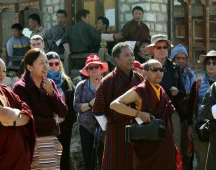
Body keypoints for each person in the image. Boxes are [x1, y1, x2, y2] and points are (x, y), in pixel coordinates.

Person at [110, 59, 176, 170]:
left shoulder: (161, 90)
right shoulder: (139, 90)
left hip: (164, 143)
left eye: (161, 69)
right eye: (155, 70)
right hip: (146, 145)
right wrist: (138, 113)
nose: (159, 73)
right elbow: (114, 104)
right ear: (144, 73)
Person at [13, 48, 68, 169]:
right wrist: (53, 122)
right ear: (30, 67)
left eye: (46, 62)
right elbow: (29, 117)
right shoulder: (21, 88)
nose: (46, 66)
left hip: (52, 139)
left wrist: (52, 93)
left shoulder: (50, 84)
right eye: (41, 63)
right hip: (34, 140)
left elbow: (63, 112)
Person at [93, 42, 144, 170]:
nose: (131, 58)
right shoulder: (107, 81)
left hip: (137, 131)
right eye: (127, 55)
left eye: (132, 55)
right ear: (116, 59)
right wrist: (109, 129)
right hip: (115, 132)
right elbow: (98, 111)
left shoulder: (139, 79)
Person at [146, 34, 185, 150]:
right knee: (154, 145)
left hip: (172, 111)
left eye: (165, 47)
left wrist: (177, 91)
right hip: (152, 112)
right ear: (152, 49)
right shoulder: (145, 67)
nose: (162, 50)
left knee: (175, 144)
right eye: (159, 47)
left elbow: (183, 91)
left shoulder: (174, 67)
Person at [187, 50, 216, 170]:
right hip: (200, 126)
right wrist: (189, 126)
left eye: (214, 63)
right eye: (208, 63)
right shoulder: (197, 83)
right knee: (202, 160)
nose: (211, 65)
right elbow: (191, 105)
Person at [74, 54, 109, 170]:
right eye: (91, 67)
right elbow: (76, 106)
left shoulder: (108, 84)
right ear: (87, 70)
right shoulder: (81, 86)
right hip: (86, 126)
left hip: (104, 126)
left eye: (96, 67)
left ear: (101, 68)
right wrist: (90, 104)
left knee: (104, 157)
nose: (94, 69)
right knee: (88, 158)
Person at [46, 51, 76, 170]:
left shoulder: (67, 81)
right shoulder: (43, 81)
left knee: (64, 154)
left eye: (56, 63)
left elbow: (72, 104)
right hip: (48, 125)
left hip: (65, 126)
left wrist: (66, 119)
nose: (54, 66)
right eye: (50, 64)